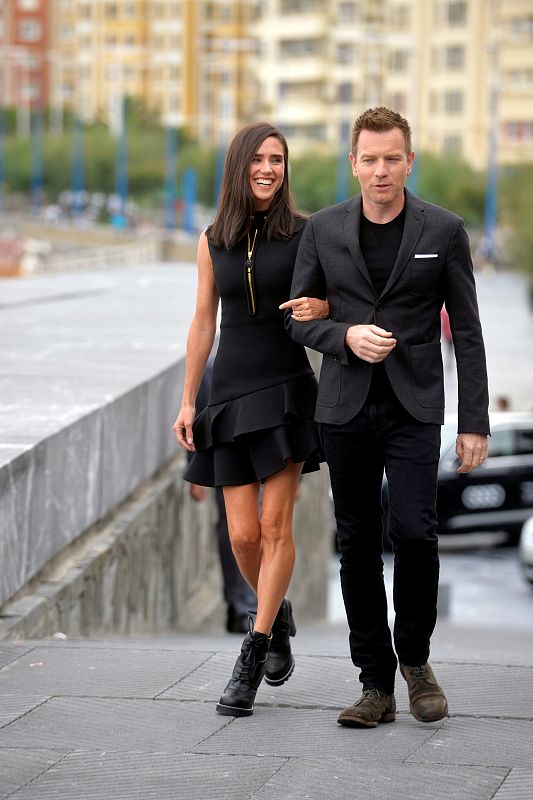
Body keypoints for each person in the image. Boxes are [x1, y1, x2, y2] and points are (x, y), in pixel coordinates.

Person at [283, 107, 490, 728]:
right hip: (344, 406)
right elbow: (296, 319)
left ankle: (417, 661)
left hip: (415, 406)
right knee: (356, 545)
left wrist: (474, 422)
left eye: (392, 158)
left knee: (417, 533)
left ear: (409, 161)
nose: (381, 170)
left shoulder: (444, 229)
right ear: (354, 163)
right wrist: (345, 336)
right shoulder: (322, 230)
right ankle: (374, 682)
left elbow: (471, 334)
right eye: (369, 159)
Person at [173, 122, 328, 717]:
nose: (269, 169)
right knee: (240, 533)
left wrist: (324, 305)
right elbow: (202, 323)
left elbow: (334, 296)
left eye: (279, 160)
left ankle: (252, 651)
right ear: (239, 167)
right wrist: (189, 400)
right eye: (259, 159)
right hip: (229, 395)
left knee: (273, 525)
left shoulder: (308, 234)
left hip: (287, 390)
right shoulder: (213, 238)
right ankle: (277, 609)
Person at [187, 361, 256, 635]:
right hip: (226, 460)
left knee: (266, 532)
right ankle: (241, 607)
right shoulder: (213, 368)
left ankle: (257, 607)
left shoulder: (280, 354)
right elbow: (197, 418)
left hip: (268, 460)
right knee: (234, 535)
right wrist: (195, 469)